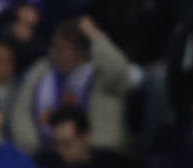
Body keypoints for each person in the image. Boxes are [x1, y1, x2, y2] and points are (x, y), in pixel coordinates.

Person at [11, 17, 133, 157]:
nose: (52, 52)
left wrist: (94, 36)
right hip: (48, 156)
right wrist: (32, 148)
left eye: (59, 48)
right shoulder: (41, 70)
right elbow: (22, 111)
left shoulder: (101, 73)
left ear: (81, 52)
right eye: (52, 45)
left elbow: (119, 71)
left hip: (99, 158)